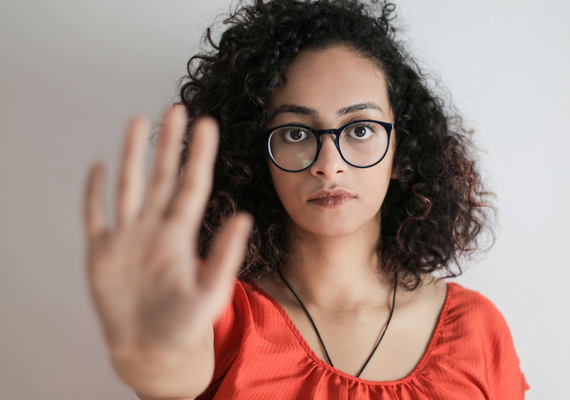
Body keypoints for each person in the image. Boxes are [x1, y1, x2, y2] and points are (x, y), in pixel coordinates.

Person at [83, 0, 530, 399]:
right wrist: (152, 359)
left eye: (360, 129)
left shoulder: (477, 329)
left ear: (402, 151)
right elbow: (173, 370)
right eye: (296, 133)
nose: (329, 164)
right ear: (256, 157)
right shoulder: (214, 311)